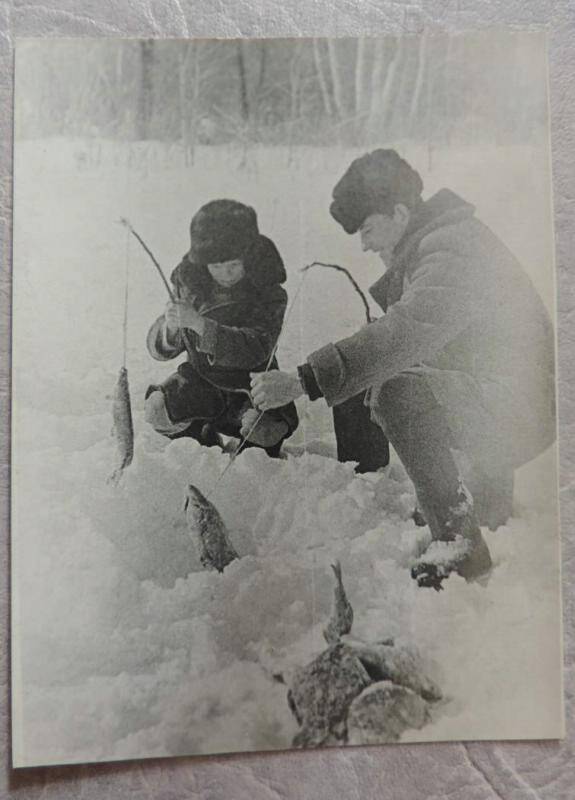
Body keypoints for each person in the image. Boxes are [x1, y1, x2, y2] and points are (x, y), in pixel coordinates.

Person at [250, 150, 556, 589]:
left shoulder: (451, 247)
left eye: (369, 229)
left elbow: (407, 332)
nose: (364, 244)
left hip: (524, 408)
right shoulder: (439, 240)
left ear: (399, 212)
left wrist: (303, 378)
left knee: (395, 387)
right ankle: (456, 497)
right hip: (501, 396)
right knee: (367, 364)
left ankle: (459, 543)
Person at [145, 199, 298, 457]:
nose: (226, 274)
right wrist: (171, 329)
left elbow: (257, 347)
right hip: (200, 382)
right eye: (217, 267)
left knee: (262, 431)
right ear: (204, 264)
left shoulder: (268, 293)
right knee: (157, 408)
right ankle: (203, 446)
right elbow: (162, 349)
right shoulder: (191, 286)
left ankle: (252, 457)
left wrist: (201, 325)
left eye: (233, 266)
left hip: (252, 388)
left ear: (248, 258)